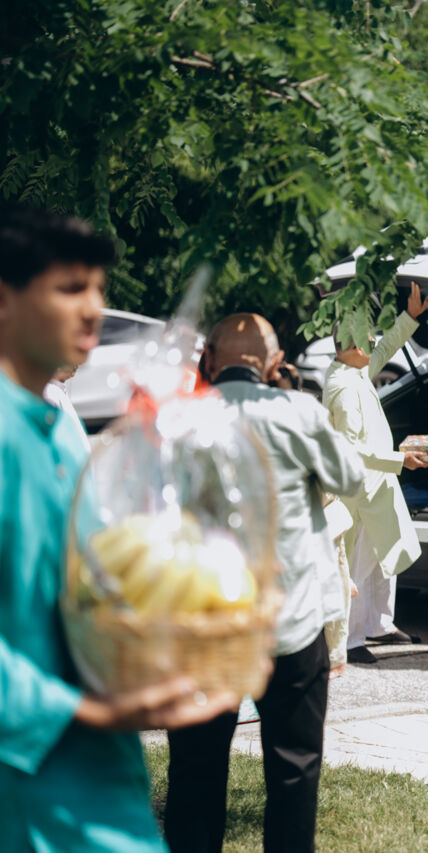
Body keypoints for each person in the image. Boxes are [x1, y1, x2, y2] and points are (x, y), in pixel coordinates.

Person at [0, 204, 237, 853]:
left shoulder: (56, 427)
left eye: (99, 289)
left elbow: (87, 579)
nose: (94, 309)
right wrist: (87, 710)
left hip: (97, 782)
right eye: (70, 288)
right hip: (28, 790)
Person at [164, 313, 364, 853]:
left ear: (208, 359)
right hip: (289, 618)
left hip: (205, 619)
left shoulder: (180, 419)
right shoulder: (296, 412)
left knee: (196, 771)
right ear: (275, 364)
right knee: (294, 769)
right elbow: (350, 477)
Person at [323, 284, 428, 665]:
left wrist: (410, 318)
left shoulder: (354, 371)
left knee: (386, 554)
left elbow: (386, 349)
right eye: (367, 338)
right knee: (360, 563)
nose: (373, 342)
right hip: (358, 490)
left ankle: (380, 624)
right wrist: (399, 461)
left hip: (378, 483)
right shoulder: (342, 386)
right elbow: (350, 448)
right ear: (354, 346)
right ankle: (353, 639)